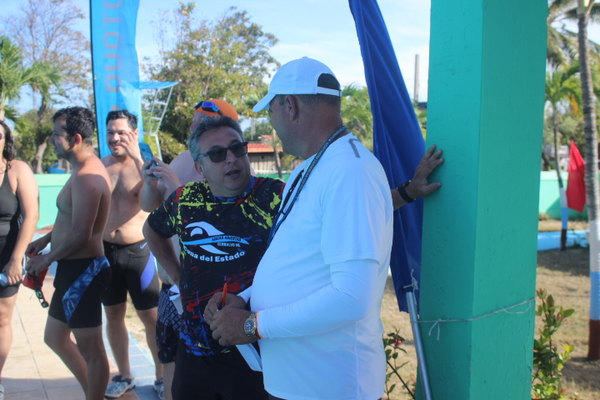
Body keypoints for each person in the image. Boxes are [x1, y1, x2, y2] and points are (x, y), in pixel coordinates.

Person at [205, 57, 441, 400]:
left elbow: (351, 297)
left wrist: (251, 325)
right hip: (299, 382)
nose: (272, 122)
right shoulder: (313, 167)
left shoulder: (350, 172)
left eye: (271, 111)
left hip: (330, 386)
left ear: (290, 106)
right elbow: (303, 259)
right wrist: (243, 299)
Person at [143, 115, 285, 400]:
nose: (231, 159)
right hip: (196, 351)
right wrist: (178, 276)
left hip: (256, 350)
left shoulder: (274, 196)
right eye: (218, 154)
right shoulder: (186, 200)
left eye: (237, 148)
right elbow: (151, 229)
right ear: (200, 167)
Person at [139, 99, 240, 400]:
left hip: (207, 292)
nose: (195, 126)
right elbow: (150, 208)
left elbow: (213, 223)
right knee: (171, 359)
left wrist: (174, 185)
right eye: (194, 120)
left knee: (209, 374)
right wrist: (150, 184)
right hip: (173, 284)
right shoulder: (183, 160)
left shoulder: (227, 167)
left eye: (204, 121)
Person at [26, 107, 112, 400]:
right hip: (72, 270)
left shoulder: (88, 176)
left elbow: (82, 235)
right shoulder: (80, 170)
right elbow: (71, 220)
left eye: (56, 134)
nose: (52, 139)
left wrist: (46, 259)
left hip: (84, 271)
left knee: (92, 350)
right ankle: (92, 393)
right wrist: (45, 240)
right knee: (55, 337)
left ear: (75, 138)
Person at [100, 110, 163, 399]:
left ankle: (161, 376)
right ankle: (125, 374)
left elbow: (157, 200)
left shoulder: (147, 166)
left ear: (134, 134)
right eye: (110, 132)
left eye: (121, 132)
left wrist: (137, 157)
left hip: (138, 252)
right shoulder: (101, 166)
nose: (115, 138)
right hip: (106, 251)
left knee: (151, 316)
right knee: (113, 314)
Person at [0, 120, 39, 400]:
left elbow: (31, 215)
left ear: (6, 140)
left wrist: (16, 259)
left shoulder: (17, 170)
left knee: (2, 318)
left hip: (6, 255)